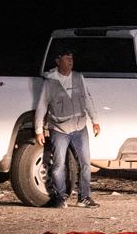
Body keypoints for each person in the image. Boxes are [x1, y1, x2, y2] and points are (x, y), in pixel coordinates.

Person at [35, 47, 100, 208]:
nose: (70, 61)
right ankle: (61, 197)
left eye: (71, 58)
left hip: (80, 127)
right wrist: (38, 130)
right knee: (58, 166)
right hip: (59, 129)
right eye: (66, 58)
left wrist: (95, 120)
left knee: (85, 163)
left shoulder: (79, 77)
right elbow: (42, 106)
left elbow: (88, 100)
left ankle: (84, 197)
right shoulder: (50, 82)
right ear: (58, 61)